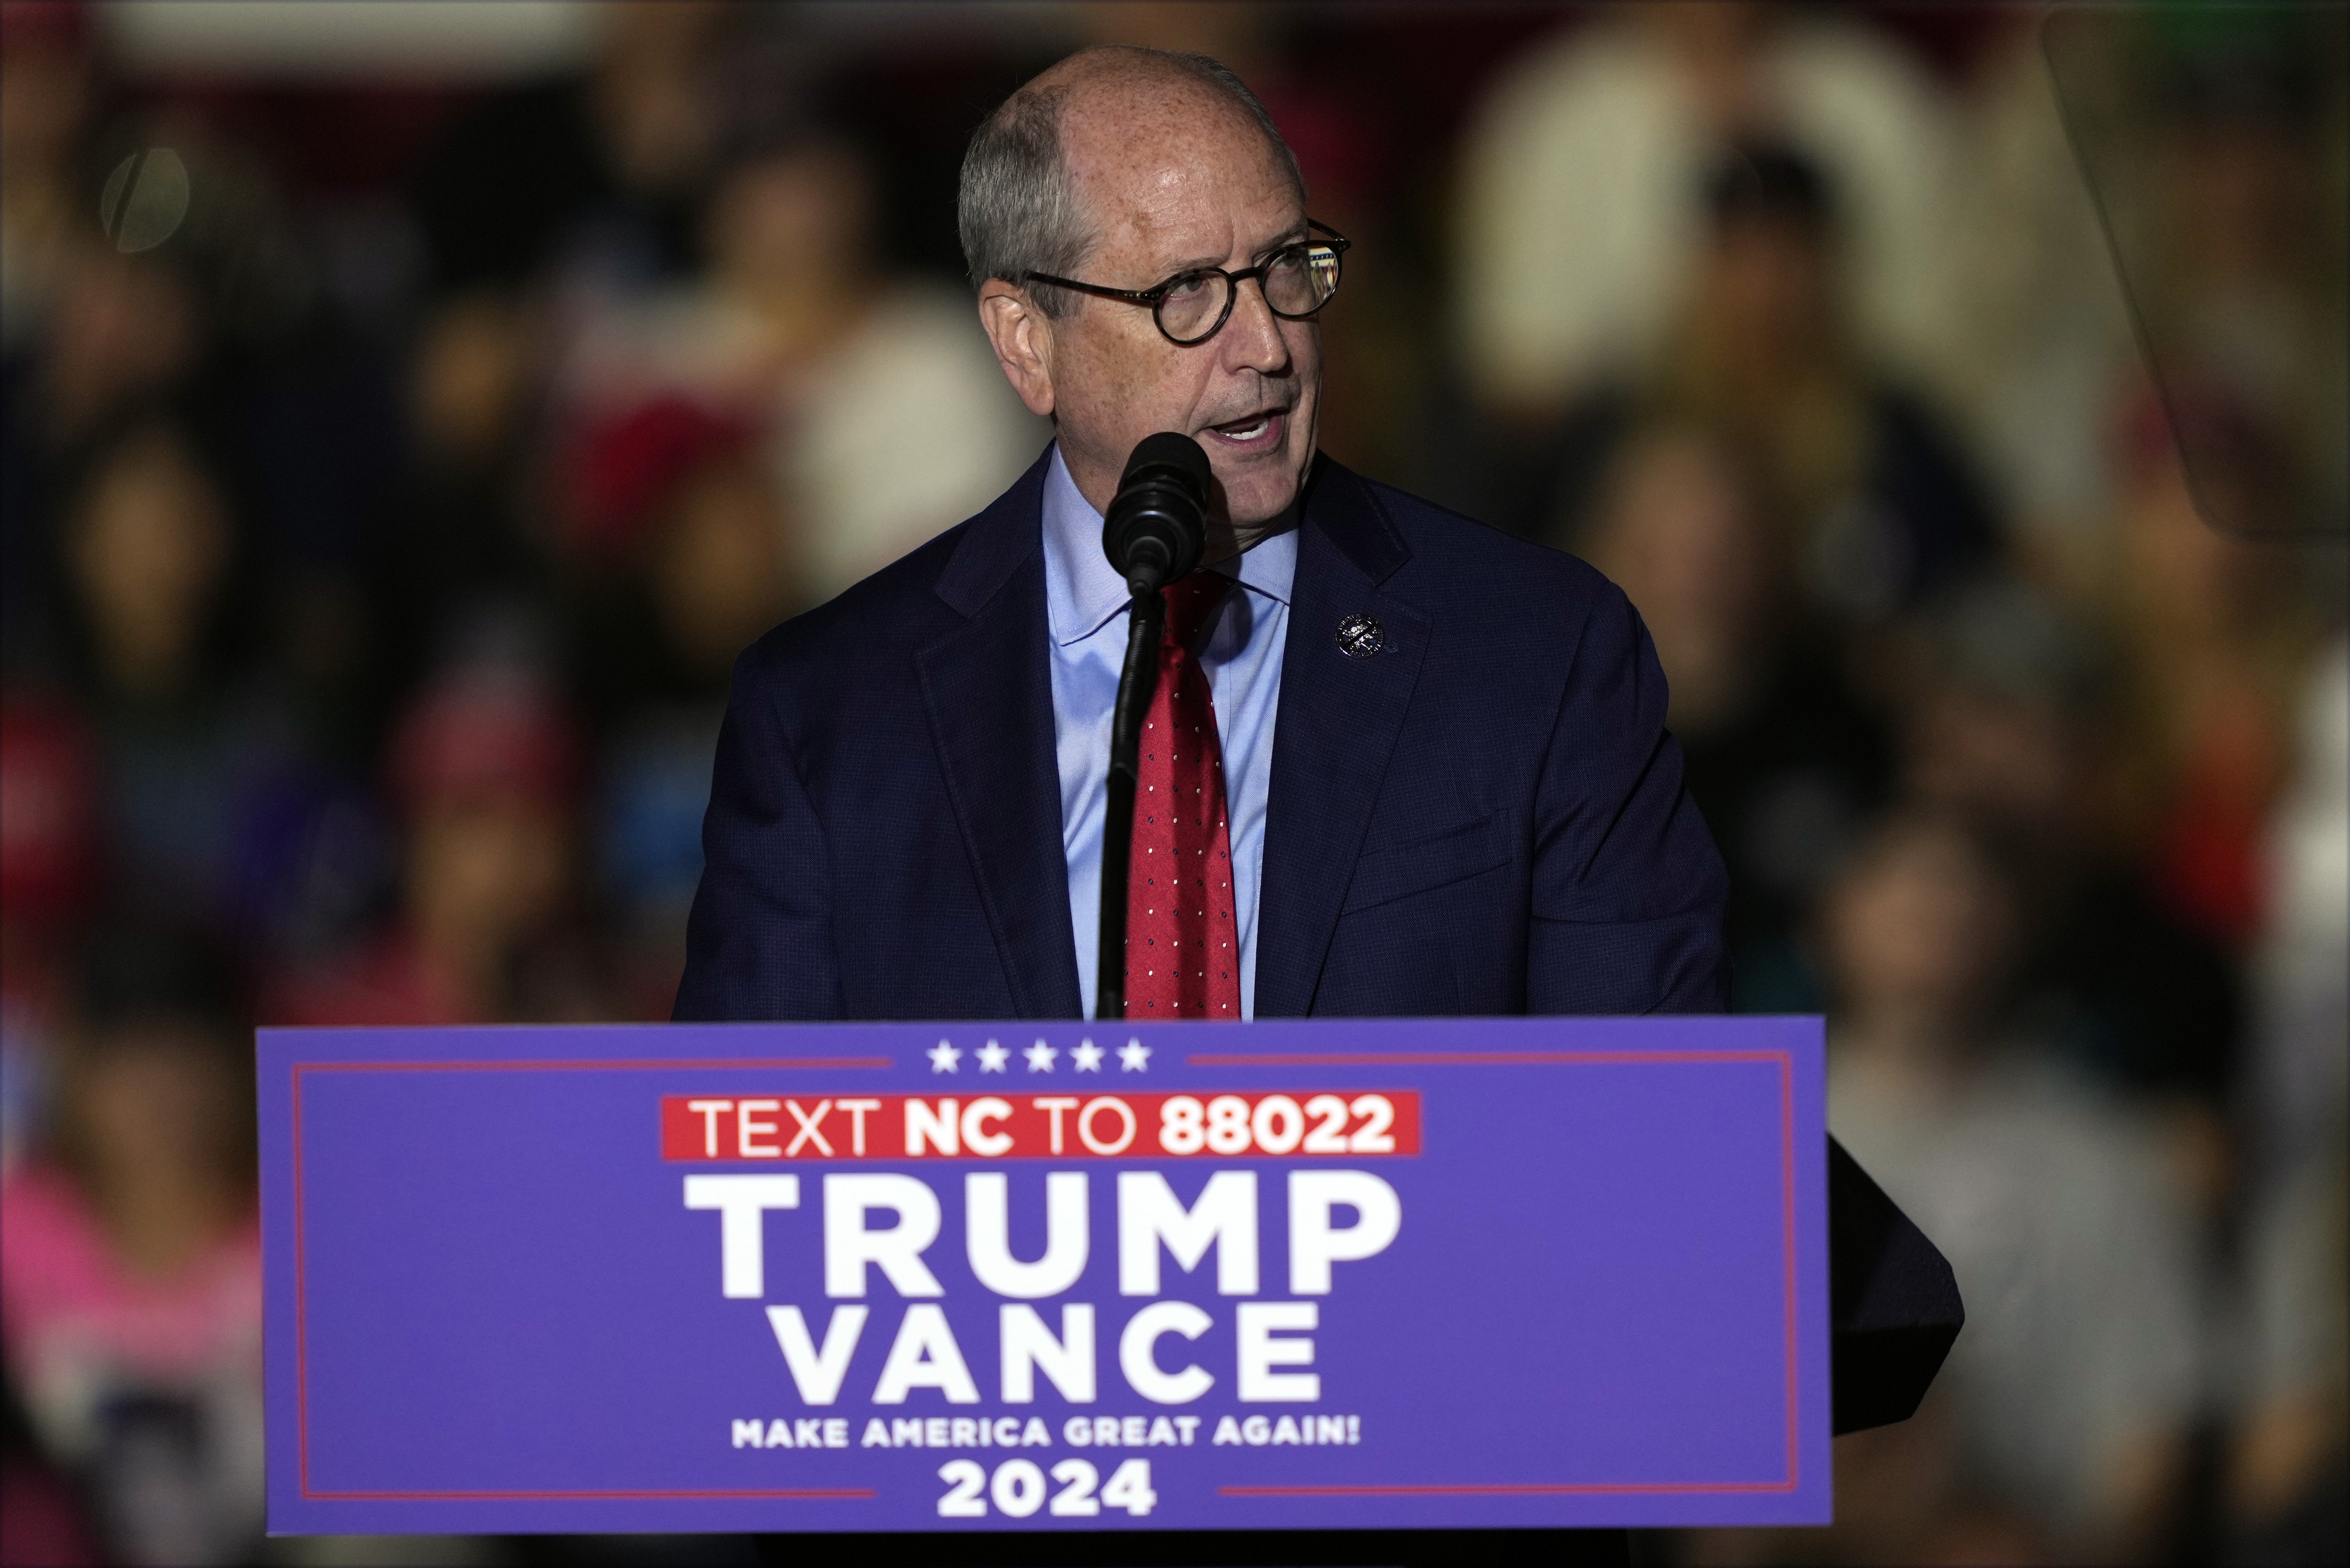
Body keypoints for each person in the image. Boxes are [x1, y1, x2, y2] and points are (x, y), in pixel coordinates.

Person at [674, 44, 1729, 1025]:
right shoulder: (828, 713)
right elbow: (744, 1162)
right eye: (1186, 293)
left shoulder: (1535, 654)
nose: (1269, 344)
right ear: (1026, 341)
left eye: (1285, 268)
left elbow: (1648, 1125)